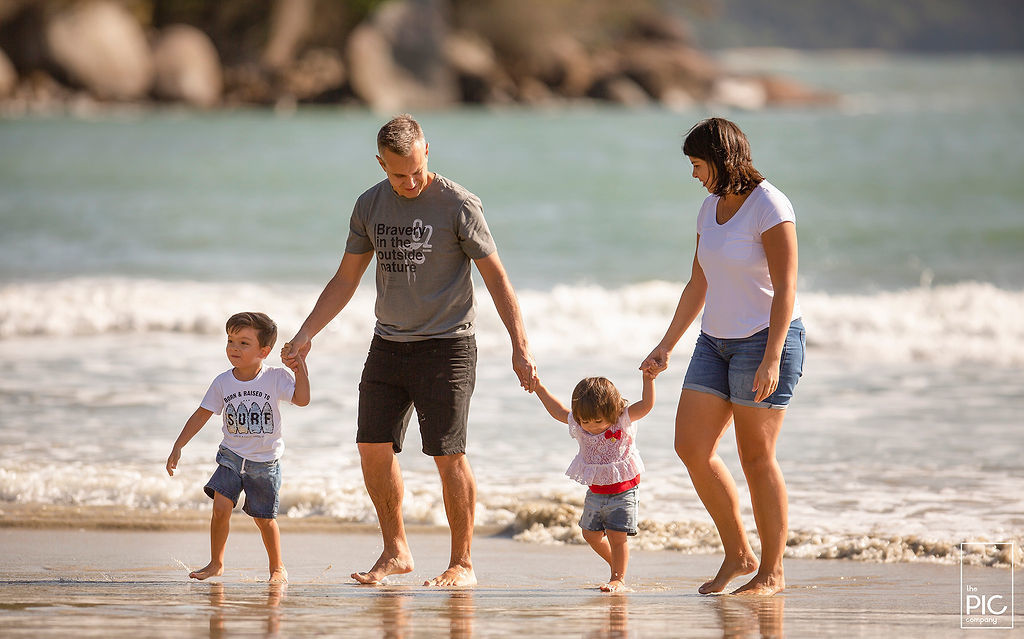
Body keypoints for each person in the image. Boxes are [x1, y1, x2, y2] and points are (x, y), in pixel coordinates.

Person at [280, 114, 537, 587]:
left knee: (447, 454)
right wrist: (305, 333)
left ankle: (462, 563)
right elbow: (345, 279)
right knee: (371, 447)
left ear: (427, 152)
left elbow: (497, 278)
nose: (412, 181)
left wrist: (520, 346)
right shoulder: (369, 205)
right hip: (389, 344)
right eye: (400, 174)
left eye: (418, 170)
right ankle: (396, 550)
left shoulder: (459, 204)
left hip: (448, 345)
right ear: (381, 164)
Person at [641, 117, 805, 596]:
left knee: (756, 457)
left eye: (698, 164)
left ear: (721, 159)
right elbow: (699, 282)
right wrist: (666, 344)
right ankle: (738, 554)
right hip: (713, 343)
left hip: (764, 340)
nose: (694, 174)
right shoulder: (709, 207)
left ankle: (771, 572)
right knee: (691, 447)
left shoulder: (770, 206)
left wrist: (772, 357)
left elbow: (786, 288)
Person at [166, 311, 310, 583]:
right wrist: (178, 445)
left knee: (264, 519)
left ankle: (277, 567)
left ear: (264, 351)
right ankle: (216, 563)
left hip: (264, 462)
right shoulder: (223, 382)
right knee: (221, 507)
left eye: (244, 343)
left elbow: (302, 399)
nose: (234, 348)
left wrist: (299, 367)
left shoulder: (275, 377)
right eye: (230, 341)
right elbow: (201, 414)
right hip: (231, 457)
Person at [532, 372, 655, 592]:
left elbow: (646, 405)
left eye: (598, 421)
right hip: (596, 491)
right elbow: (557, 410)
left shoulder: (622, 419)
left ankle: (618, 578)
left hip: (624, 489)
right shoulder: (580, 424)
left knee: (617, 536)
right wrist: (539, 387)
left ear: (612, 411)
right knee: (590, 534)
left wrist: (648, 379)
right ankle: (617, 565)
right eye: (586, 421)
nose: (592, 426)